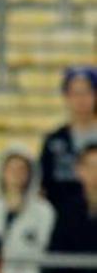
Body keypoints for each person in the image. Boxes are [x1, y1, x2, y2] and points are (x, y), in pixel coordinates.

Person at [38, 66, 97, 210]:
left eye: (86, 92)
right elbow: (44, 184)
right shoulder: (54, 141)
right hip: (63, 218)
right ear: (66, 97)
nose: (81, 99)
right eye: (75, 93)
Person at [43, 143, 97, 273]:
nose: (95, 173)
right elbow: (55, 255)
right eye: (90, 166)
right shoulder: (67, 211)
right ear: (79, 170)